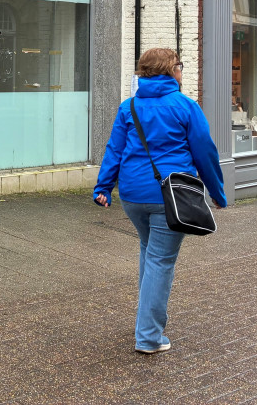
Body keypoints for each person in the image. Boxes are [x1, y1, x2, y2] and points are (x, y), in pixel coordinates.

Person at [93, 48, 227, 354]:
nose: (182, 71)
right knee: (160, 261)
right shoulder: (185, 106)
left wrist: (103, 187)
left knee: (149, 251)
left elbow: (114, 149)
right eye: (179, 66)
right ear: (170, 71)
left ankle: (146, 322)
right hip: (173, 196)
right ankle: (149, 337)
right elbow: (205, 152)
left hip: (132, 195)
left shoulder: (129, 107)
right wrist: (217, 193)